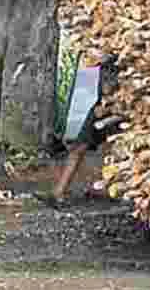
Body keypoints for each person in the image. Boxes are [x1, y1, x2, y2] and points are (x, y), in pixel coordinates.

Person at [40, 54, 121, 207]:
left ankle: (102, 188)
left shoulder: (116, 61)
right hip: (102, 105)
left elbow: (108, 86)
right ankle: (59, 193)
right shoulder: (105, 61)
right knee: (81, 147)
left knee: (103, 147)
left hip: (114, 105)